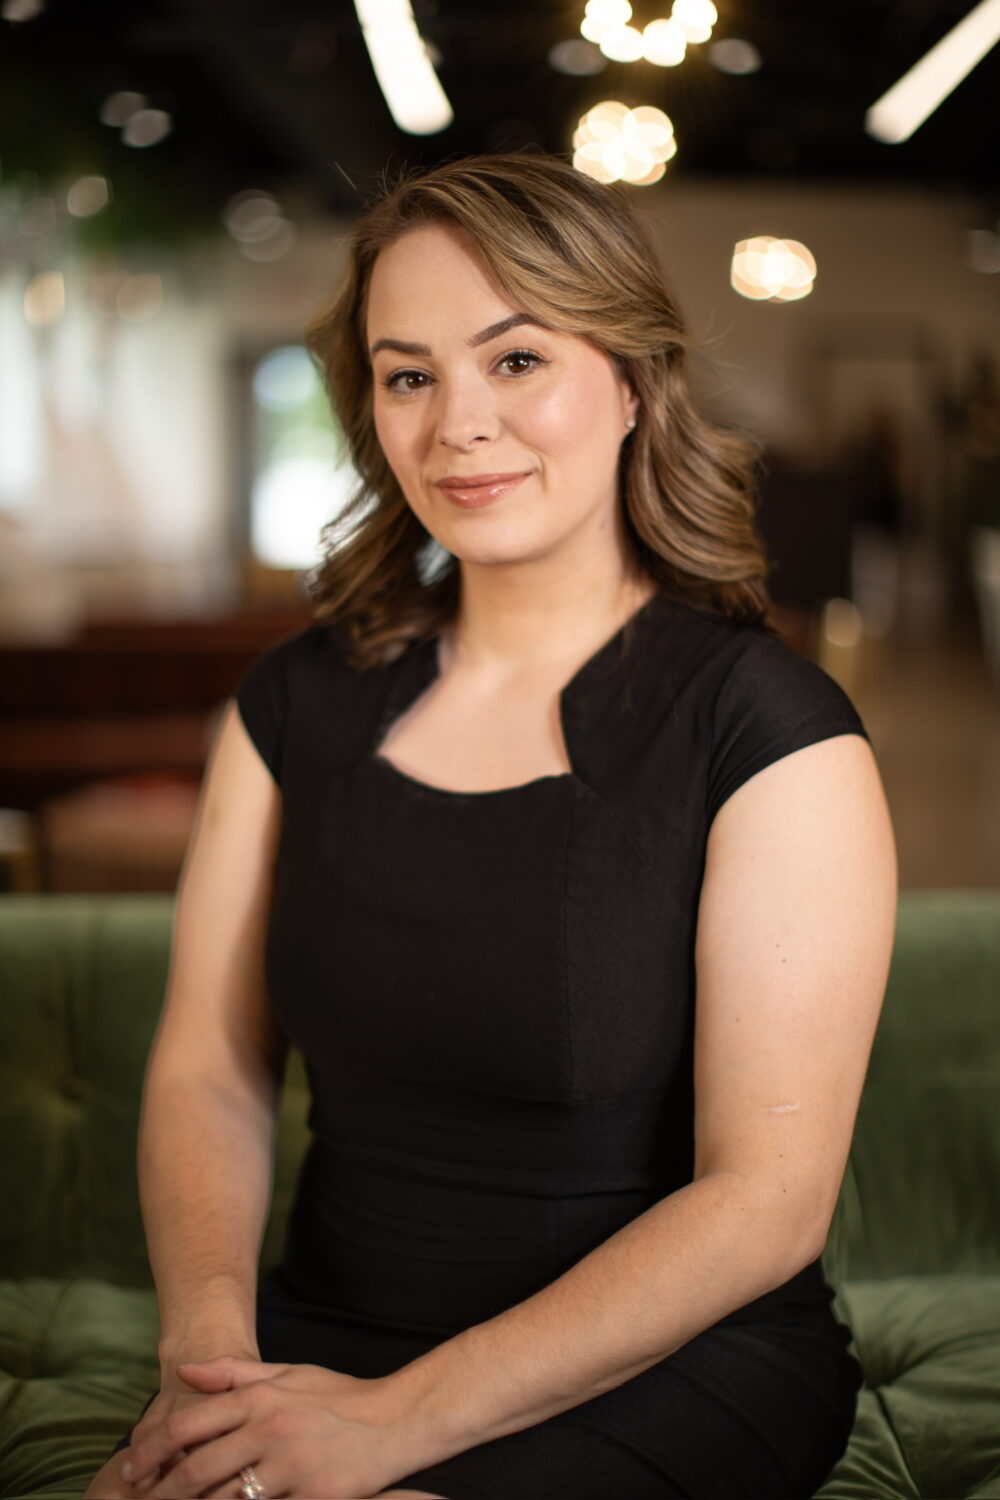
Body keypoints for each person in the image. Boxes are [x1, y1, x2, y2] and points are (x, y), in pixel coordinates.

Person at [85, 151, 897, 1500]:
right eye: (410, 375)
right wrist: (211, 1359)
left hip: (666, 1367)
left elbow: (766, 1202)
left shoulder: (766, 725)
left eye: (516, 360)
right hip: (320, 1339)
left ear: (632, 382)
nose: (458, 423)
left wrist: (395, 1425)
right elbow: (210, 1068)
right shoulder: (295, 700)